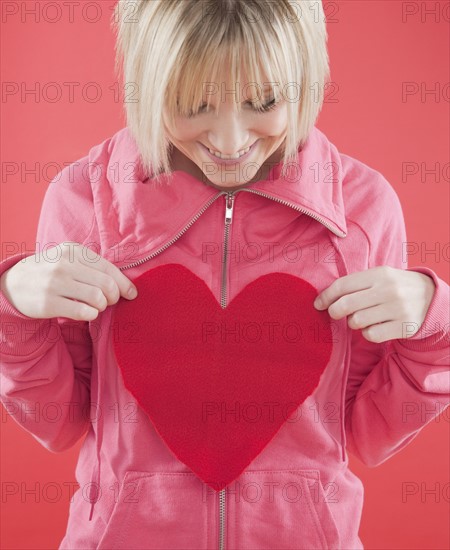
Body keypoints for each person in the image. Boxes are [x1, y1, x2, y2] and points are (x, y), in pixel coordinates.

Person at [1, 1, 449, 549]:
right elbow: (60, 422)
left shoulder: (363, 208)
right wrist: (12, 311)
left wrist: (436, 328)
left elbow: (370, 433)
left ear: (307, 79)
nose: (231, 141)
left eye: (263, 101)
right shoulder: (82, 199)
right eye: (194, 104)